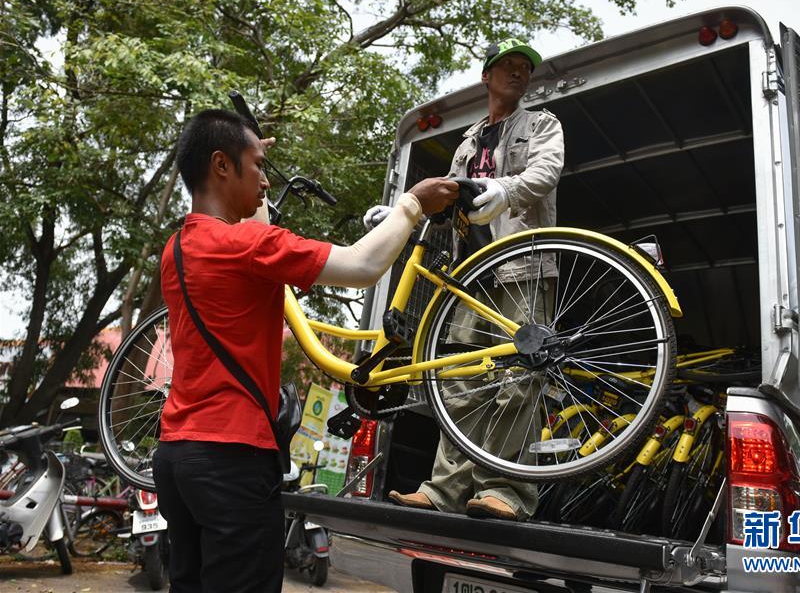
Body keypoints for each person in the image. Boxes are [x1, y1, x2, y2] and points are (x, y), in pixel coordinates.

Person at [151, 108, 457, 593]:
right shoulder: (247, 245)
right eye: (258, 167)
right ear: (221, 166)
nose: (267, 182)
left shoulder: (177, 251)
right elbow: (362, 266)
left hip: (176, 457)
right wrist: (412, 205)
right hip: (232, 456)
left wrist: (249, 156)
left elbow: (245, 221)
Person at [371, 39, 565, 521]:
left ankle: (506, 491)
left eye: (526, 68)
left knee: (519, 375)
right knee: (457, 380)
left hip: (521, 266)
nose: (519, 73)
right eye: (509, 66)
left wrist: (507, 187)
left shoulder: (541, 124)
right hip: (466, 277)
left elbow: (547, 169)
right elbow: (445, 206)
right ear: (487, 75)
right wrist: (403, 214)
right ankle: (443, 491)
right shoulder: (468, 142)